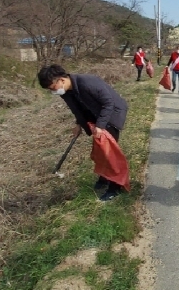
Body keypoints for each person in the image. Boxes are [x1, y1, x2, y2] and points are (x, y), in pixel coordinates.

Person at [37, 64, 129, 202]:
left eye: (52, 87)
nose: (53, 91)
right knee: (100, 150)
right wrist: (79, 124)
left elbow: (108, 103)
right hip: (96, 114)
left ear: (61, 80)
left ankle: (115, 187)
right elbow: (78, 109)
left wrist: (100, 126)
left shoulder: (87, 83)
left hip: (112, 113)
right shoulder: (67, 91)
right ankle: (105, 177)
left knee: (109, 152)